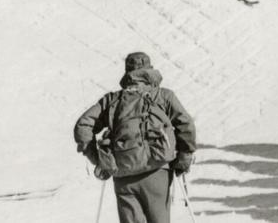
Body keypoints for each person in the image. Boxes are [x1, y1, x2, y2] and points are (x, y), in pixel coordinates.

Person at [73, 52, 197, 223]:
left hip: (123, 174)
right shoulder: (163, 96)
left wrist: (99, 160)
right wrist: (184, 157)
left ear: (127, 72)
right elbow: (186, 124)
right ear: (150, 70)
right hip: (157, 170)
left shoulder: (113, 100)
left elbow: (83, 126)